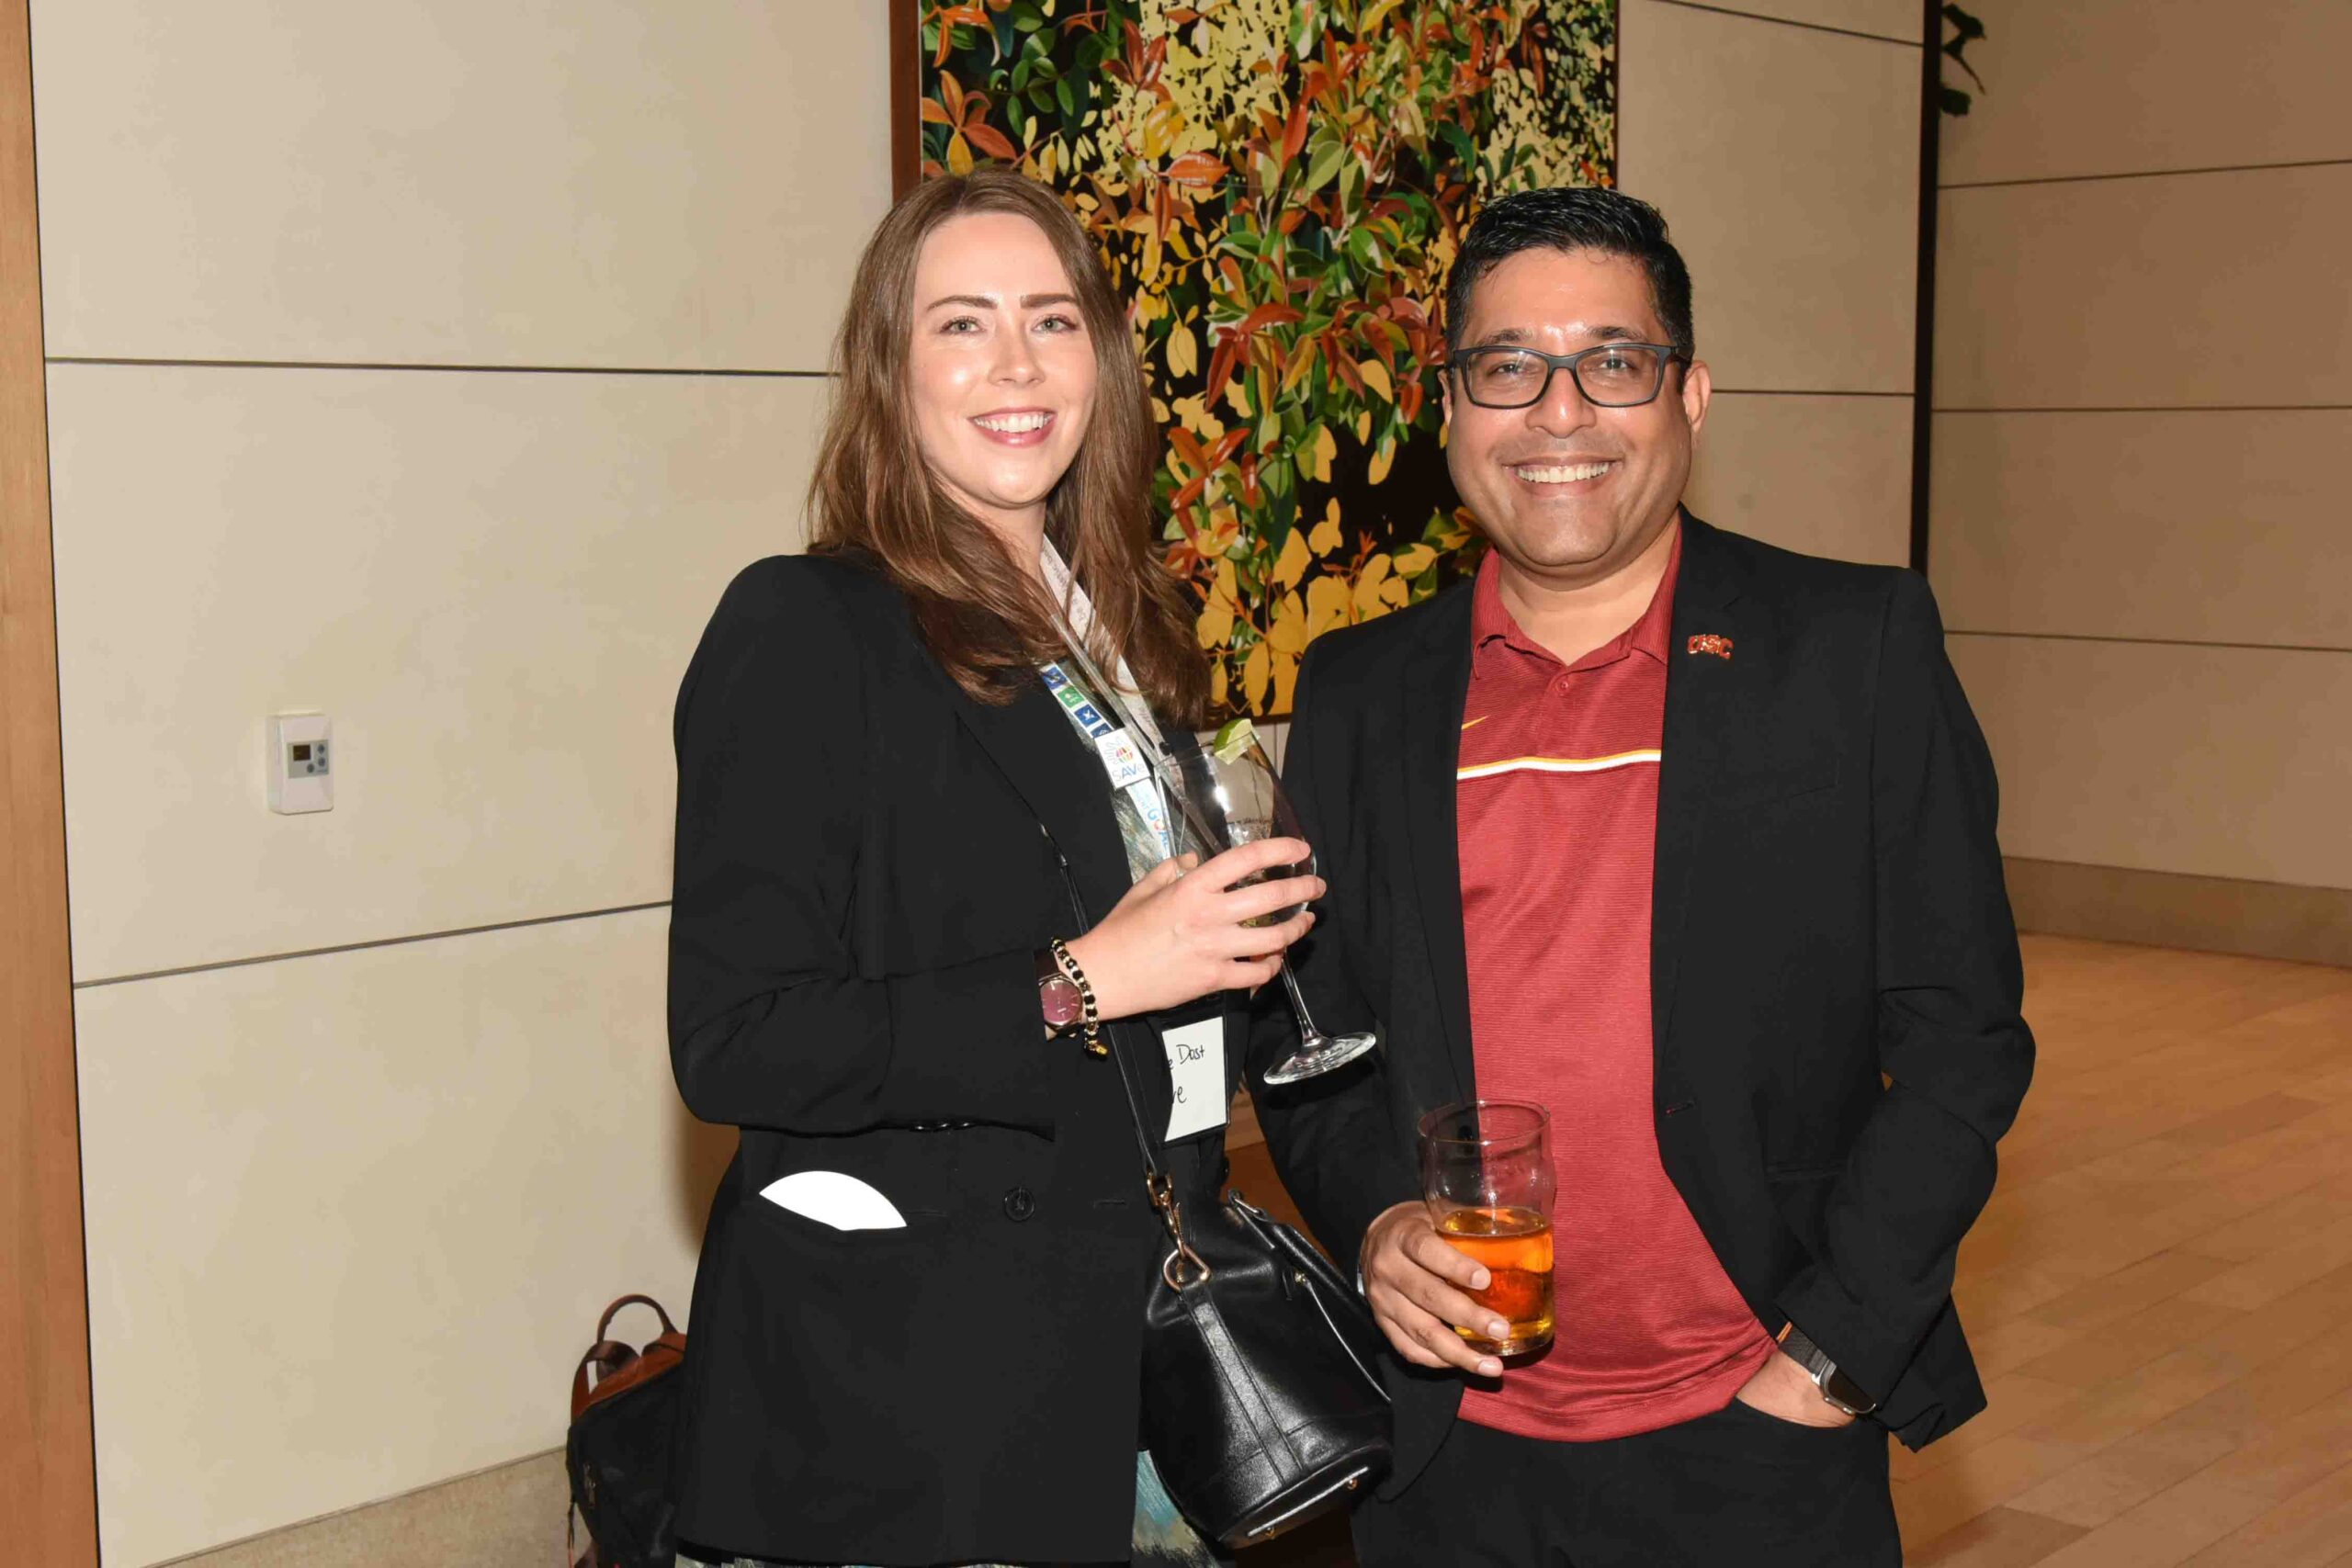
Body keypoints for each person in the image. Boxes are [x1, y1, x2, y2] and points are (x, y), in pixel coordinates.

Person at [1251, 186, 2036, 1566]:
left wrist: (1830, 1361)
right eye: (1508, 366)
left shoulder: (1849, 651)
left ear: (1691, 396)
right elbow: (1314, 1037)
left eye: (1613, 361)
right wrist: (1375, 1222)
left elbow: (1963, 1039)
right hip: (1443, 1452)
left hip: (1757, 1443)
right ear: (1450, 410)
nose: (1559, 414)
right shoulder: (1359, 691)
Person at [664, 168, 1321, 1568]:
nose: (1017, 365)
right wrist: (1080, 981)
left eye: (1053, 320)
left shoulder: (1127, 633)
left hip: (1134, 1354)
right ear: (890, 372)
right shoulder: (806, 629)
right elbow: (737, 1040)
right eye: (963, 324)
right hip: (915, 1399)